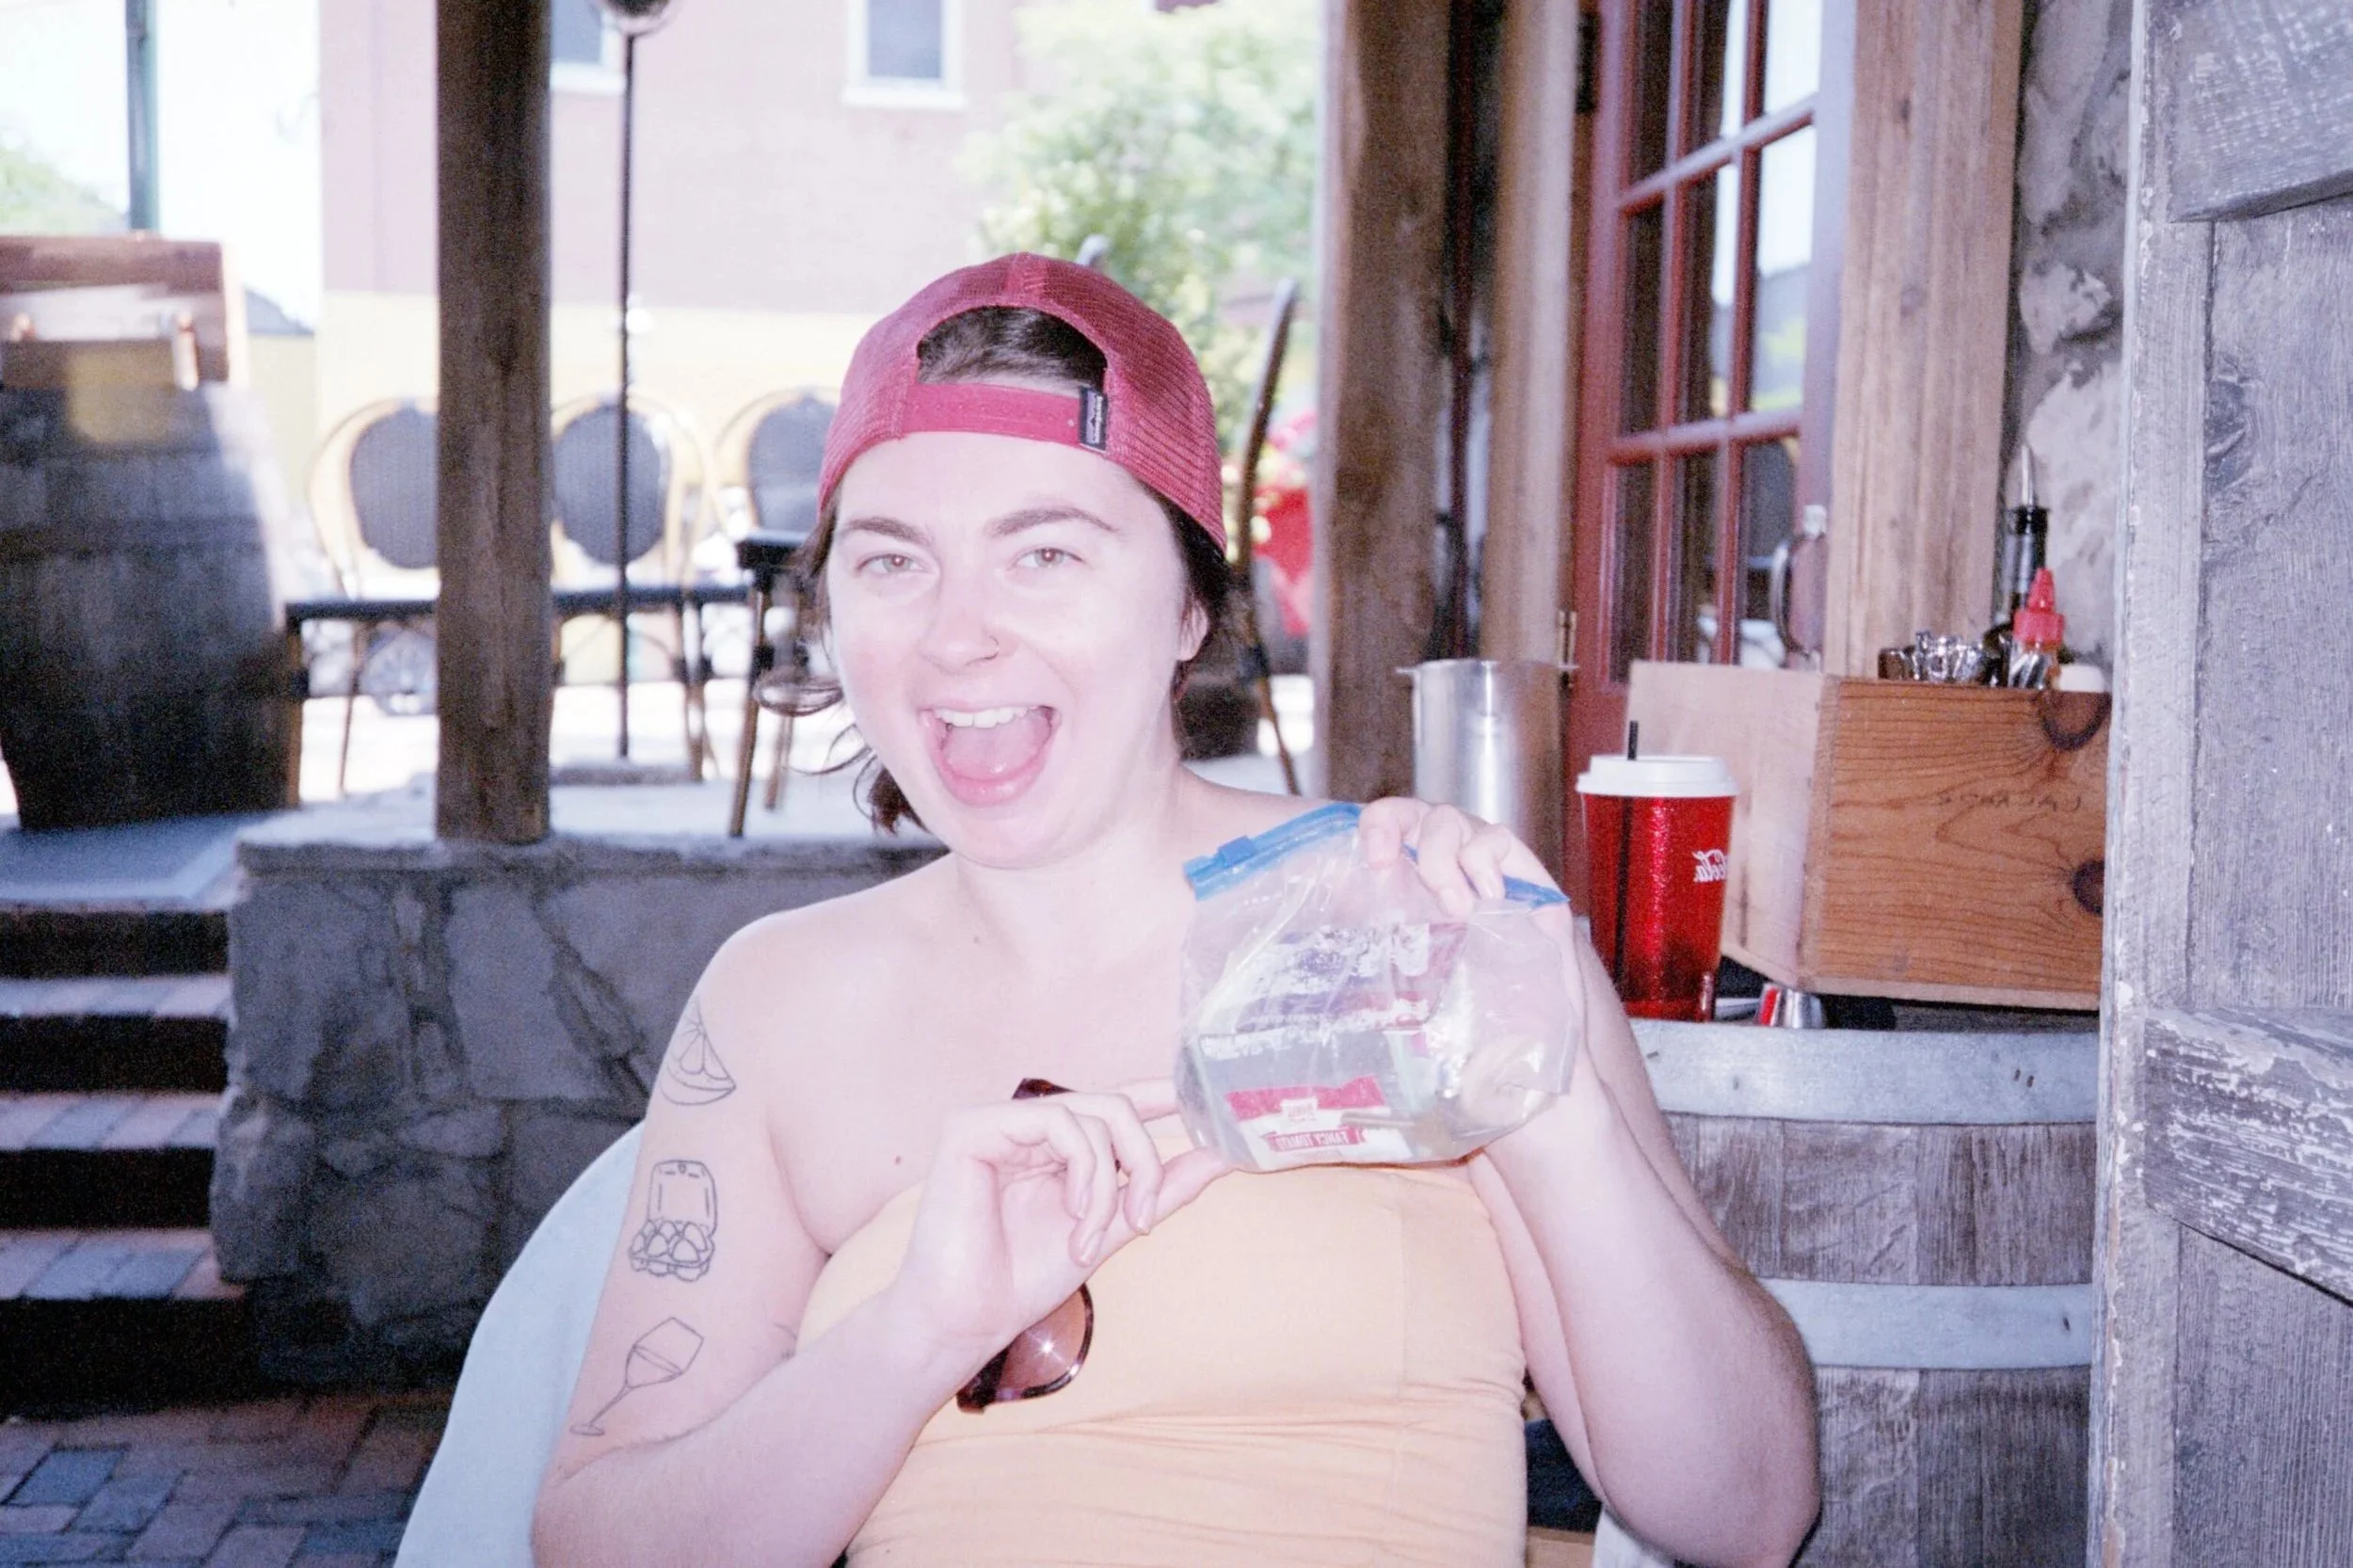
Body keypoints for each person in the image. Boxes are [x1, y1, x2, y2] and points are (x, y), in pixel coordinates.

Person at [531, 255, 1817, 1568]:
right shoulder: (776, 1000)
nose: (958, 635)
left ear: (1191, 604)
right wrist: (916, 1329)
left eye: (1045, 552)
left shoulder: (1417, 923)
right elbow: (595, 1540)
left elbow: (1750, 1508)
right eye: (892, 560)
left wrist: (1539, 1096)